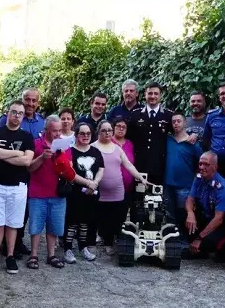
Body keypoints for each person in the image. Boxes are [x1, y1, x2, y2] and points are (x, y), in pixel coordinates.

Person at [0, 100, 35, 275]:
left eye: (20, 113)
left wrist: (2, 155)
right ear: (8, 113)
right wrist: (16, 153)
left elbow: (27, 161)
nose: (17, 116)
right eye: (14, 112)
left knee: (13, 223)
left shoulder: (27, 137)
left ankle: (11, 256)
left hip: (18, 186)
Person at [0, 88, 43, 257]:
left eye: (33, 101)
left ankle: (18, 240)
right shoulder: (7, 119)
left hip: (32, 172)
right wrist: (19, 156)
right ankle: (5, 245)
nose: (30, 104)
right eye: (27, 100)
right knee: (7, 208)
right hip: (9, 172)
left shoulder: (41, 123)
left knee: (23, 210)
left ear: (38, 103)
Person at [92, 120, 148, 255]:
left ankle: (110, 243)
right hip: (99, 190)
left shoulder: (117, 148)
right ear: (98, 131)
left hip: (118, 190)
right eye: (104, 130)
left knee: (116, 217)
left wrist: (139, 177)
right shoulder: (93, 147)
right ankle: (101, 240)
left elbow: (128, 165)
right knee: (101, 217)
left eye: (109, 130)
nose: (107, 133)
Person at [25, 115, 67, 270]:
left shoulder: (64, 145)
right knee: (35, 227)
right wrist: (42, 158)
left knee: (54, 227)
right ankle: (33, 255)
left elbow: (69, 169)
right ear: (46, 130)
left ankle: (51, 255)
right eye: (54, 131)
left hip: (57, 193)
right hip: (37, 192)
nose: (58, 134)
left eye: (60, 130)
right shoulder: (36, 144)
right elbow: (29, 168)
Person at [62, 123, 104, 263]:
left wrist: (95, 183)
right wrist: (88, 183)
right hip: (75, 193)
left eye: (88, 134)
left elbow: (101, 169)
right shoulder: (70, 151)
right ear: (76, 135)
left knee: (86, 222)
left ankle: (83, 247)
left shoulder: (95, 151)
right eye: (82, 133)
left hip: (91, 193)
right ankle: (67, 249)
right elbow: (70, 173)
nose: (85, 136)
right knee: (72, 222)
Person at [185, 151, 225, 259]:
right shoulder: (199, 178)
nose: (202, 167)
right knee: (183, 216)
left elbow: (219, 219)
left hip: (220, 223)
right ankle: (197, 250)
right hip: (206, 217)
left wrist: (199, 238)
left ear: (215, 167)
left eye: (206, 164)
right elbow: (190, 199)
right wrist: (190, 213)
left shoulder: (222, 187)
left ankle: (217, 250)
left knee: (208, 241)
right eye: (200, 164)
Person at [126, 82, 173, 186]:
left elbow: (177, 135)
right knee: (139, 198)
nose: (153, 96)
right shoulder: (135, 114)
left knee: (156, 199)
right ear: (145, 95)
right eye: (150, 93)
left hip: (160, 165)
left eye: (156, 94)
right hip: (139, 164)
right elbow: (127, 138)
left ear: (160, 96)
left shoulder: (168, 115)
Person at [164, 112, 202, 234]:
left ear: (185, 122)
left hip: (185, 185)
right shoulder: (167, 140)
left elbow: (202, 160)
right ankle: (171, 241)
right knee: (169, 214)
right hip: (168, 183)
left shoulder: (192, 143)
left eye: (178, 121)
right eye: (173, 121)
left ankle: (184, 241)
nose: (176, 124)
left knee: (184, 213)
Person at [110, 116, 135, 219]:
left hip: (127, 188)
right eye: (118, 126)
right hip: (110, 189)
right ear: (113, 127)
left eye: (123, 127)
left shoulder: (130, 144)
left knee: (122, 217)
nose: (121, 129)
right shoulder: (108, 142)